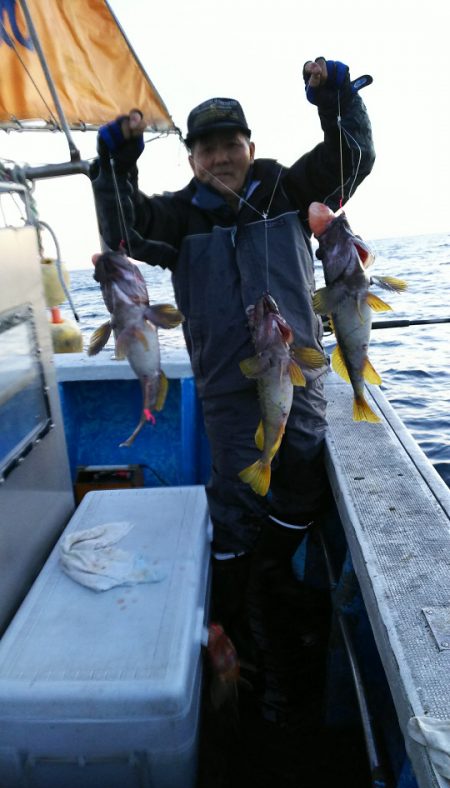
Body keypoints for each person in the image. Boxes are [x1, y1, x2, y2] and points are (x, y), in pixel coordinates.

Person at [90, 58, 375, 727]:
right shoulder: (179, 221)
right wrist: (116, 160)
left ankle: (265, 576)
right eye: (208, 148)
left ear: (249, 145)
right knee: (239, 499)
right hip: (224, 396)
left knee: (299, 478)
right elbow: (122, 229)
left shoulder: (285, 188)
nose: (222, 157)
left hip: (295, 385)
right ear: (192, 158)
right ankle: (242, 618)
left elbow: (351, 159)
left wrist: (334, 98)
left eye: (231, 144)